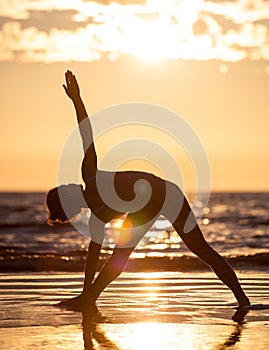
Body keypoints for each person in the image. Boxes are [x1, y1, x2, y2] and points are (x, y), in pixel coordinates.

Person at [46, 70, 250, 312]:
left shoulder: (90, 176)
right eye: (64, 188)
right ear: (69, 200)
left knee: (200, 249)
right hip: (151, 202)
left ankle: (242, 299)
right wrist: (84, 291)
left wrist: (77, 100)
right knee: (120, 256)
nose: (67, 184)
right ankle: (89, 298)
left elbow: (86, 134)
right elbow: (92, 259)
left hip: (167, 194)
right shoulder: (97, 219)